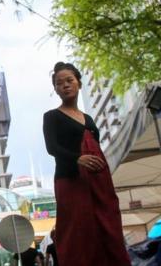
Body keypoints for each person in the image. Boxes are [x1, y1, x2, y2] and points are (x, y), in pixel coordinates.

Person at [43, 62, 131, 266]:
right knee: (77, 229)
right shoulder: (51, 117)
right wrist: (77, 158)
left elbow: (96, 147)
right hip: (70, 180)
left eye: (69, 80)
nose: (65, 85)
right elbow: (52, 148)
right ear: (55, 89)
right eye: (59, 83)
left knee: (107, 224)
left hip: (99, 180)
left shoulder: (89, 119)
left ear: (79, 84)